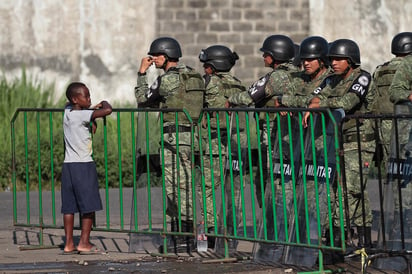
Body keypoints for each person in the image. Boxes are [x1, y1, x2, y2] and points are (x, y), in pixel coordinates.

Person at [304, 39, 375, 262]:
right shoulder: (332, 80)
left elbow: (348, 101)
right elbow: (314, 96)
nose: (333, 63)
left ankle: (336, 246)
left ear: (350, 60)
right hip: (339, 143)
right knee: (343, 193)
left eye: (338, 59)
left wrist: (321, 104)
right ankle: (362, 243)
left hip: (359, 143)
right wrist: (317, 102)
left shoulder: (362, 77)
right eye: (331, 59)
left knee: (348, 193)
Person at [135, 37, 205, 252]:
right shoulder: (195, 76)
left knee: (175, 189)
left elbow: (142, 98)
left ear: (165, 56)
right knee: (186, 188)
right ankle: (184, 237)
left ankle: (183, 240)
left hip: (173, 139)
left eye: (155, 56)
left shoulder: (167, 80)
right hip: (192, 138)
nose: (153, 59)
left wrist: (141, 73)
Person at [199, 45, 253, 251]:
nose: (204, 68)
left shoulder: (209, 83)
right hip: (239, 143)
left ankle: (210, 232)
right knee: (235, 193)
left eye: (207, 64)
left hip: (216, 143)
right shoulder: (238, 85)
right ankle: (230, 235)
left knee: (207, 189)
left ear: (214, 66)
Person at [61, 82, 113, 255]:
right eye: (86, 96)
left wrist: (90, 108)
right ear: (76, 99)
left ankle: (68, 243)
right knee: (88, 206)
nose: (89, 99)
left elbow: (70, 104)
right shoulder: (82, 115)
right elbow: (108, 110)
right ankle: (84, 242)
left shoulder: (67, 112)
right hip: (83, 165)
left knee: (69, 207)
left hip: (68, 165)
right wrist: (103, 103)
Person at [370, 32, 412, 172]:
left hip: (384, 122)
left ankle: (391, 192)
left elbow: (373, 97)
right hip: (405, 121)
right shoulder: (408, 68)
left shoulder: (380, 69)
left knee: (392, 164)